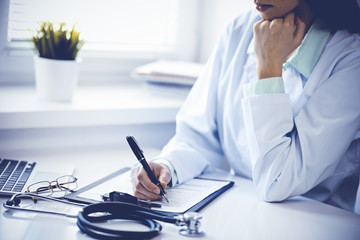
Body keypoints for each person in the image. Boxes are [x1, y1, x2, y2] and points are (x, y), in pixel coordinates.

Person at [131, 0, 360, 213]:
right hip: (241, 207)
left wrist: (269, 67)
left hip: (315, 220)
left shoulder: (351, 60)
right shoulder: (239, 29)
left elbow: (277, 182)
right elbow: (198, 136)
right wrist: (168, 165)